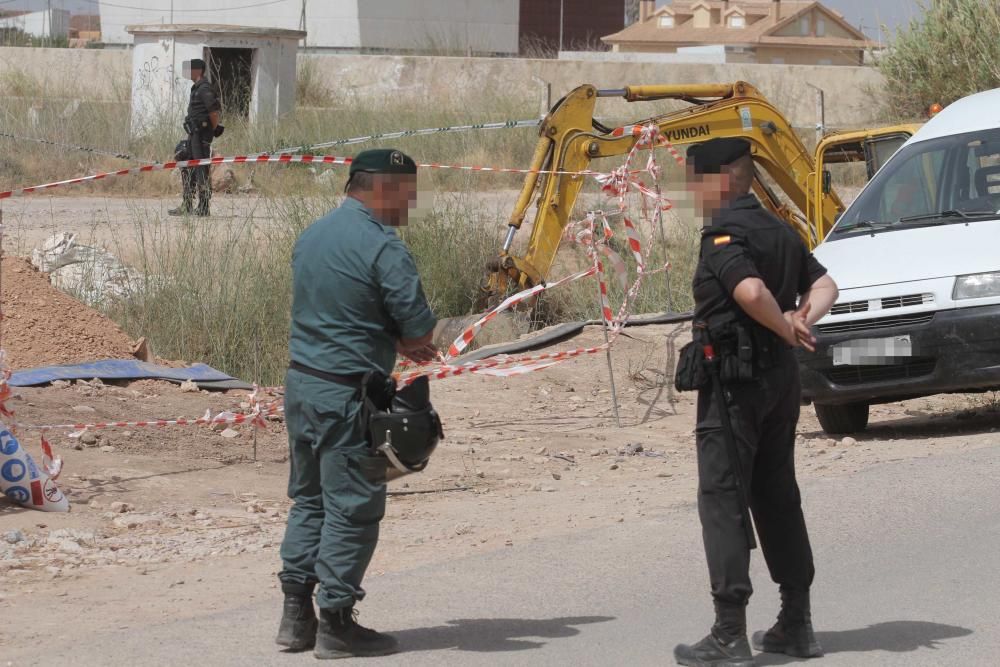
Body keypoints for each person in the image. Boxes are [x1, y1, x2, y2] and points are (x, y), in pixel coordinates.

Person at [673, 138, 839, 666]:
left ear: (719, 180)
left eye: (694, 182)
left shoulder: (725, 233)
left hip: (736, 384)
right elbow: (828, 283)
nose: (691, 194)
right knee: (776, 493)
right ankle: (797, 622)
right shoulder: (779, 227)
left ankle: (729, 633)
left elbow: (746, 291)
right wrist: (796, 323)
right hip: (780, 383)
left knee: (723, 498)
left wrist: (788, 328)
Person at [276, 149, 438, 659]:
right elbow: (420, 329)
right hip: (348, 396)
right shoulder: (382, 246)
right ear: (385, 187)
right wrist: (404, 340)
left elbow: (336, 307)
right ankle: (337, 625)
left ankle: (295, 618)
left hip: (303, 387)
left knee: (311, 500)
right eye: (408, 193)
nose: (410, 205)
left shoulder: (313, 235)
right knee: (353, 509)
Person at [169, 58, 222, 217]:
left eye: (190, 69)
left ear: (198, 70)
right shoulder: (196, 88)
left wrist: (212, 129)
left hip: (201, 135)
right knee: (187, 165)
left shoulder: (204, 88)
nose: (187, 72)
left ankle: (204, 206)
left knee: (201, 169)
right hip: (193, 134)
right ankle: (187, 204)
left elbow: (214, 112)